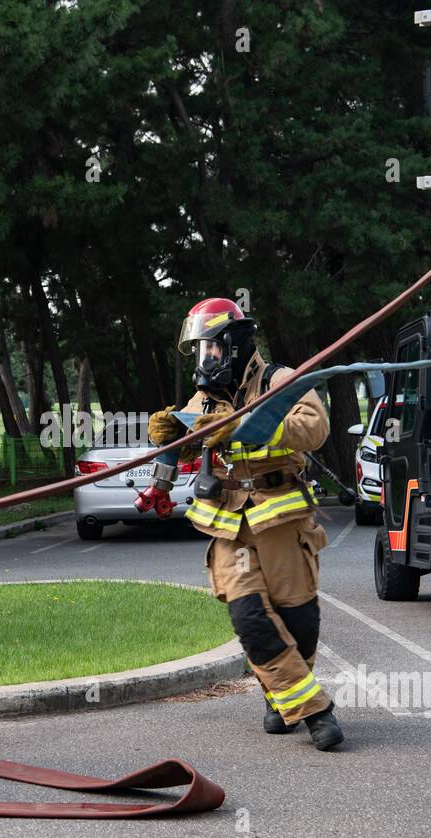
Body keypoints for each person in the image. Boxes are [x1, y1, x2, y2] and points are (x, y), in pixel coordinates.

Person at [149, 298, 345, 750]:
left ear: (235, 346)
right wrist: (168, 446)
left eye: (212, 350)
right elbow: (190, 439)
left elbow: (314, 428)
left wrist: (241, 426)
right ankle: (316, 711)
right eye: (201, 352)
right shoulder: (205, 397)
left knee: (299, 621)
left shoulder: (281, 381)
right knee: (250, 617)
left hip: (281, 517)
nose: (207, 360)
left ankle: (282, 698)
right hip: (228, 526)